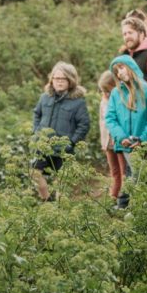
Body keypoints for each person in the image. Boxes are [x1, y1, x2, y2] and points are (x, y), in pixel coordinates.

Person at [105, 55, 147, 209]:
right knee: (134, 173)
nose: (119, 73)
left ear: (131, 67)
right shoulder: (116, 94)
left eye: (121, 68)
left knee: (139, 173)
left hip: (142, 142)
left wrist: (142, 139)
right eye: (116, 72)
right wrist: (120, 137)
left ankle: (133, 205)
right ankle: (129, 205)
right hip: (124, 143)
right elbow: (110, 118)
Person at [31, 62, 90, 201]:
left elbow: (84, 125)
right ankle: (47, 201)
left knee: (62, 183)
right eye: (56, 78)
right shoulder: (45, 97)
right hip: (43, 145)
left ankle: (60, 211)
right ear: (52, 80)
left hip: (64, 150)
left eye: (63, 79)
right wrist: (36, 132)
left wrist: (72, 142)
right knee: (34, 173)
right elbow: (37, 114)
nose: (59, 82)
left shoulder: (78, 102)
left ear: (71, 80)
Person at [98, 70, 125, 201]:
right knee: (114, 172)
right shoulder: (103, 101)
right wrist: (103, 142)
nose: (106, 94)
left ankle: (123, 197)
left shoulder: (122, 100)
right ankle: (112, 198)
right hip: (108, 142)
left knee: (123, 171)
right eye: (103, 91)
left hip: (119, 141)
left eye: (108, 91)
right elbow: (102, 122)